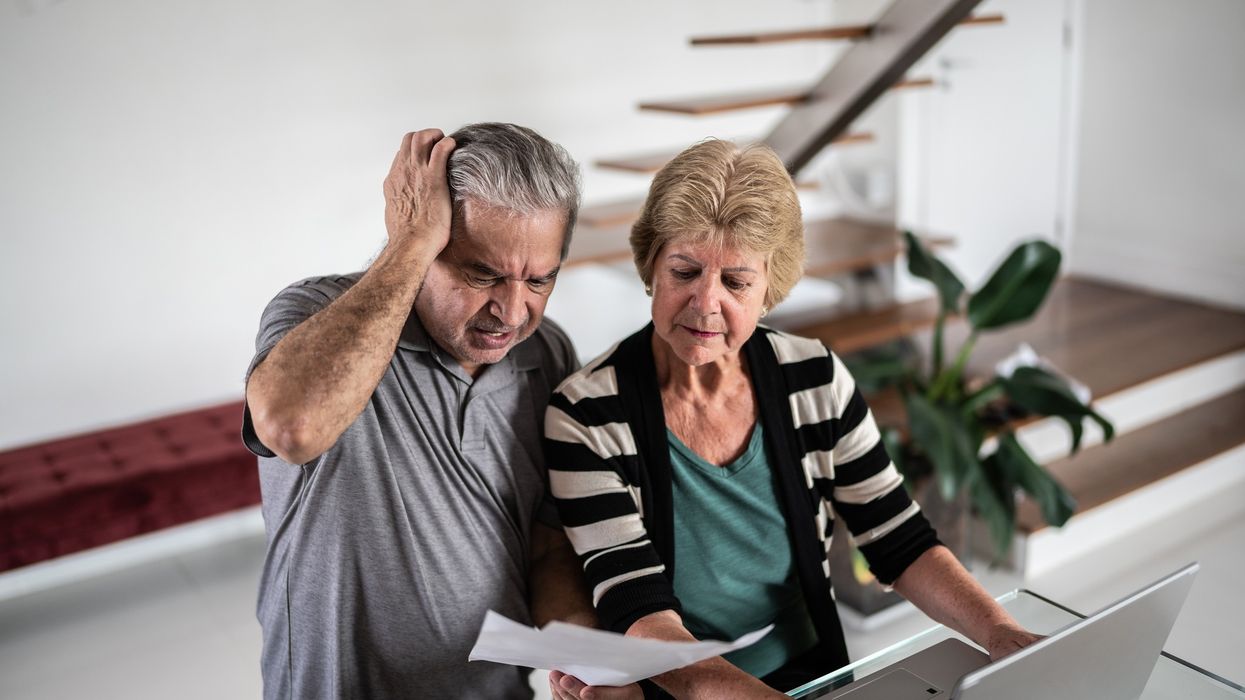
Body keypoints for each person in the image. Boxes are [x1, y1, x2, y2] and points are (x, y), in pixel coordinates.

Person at [544, 139, 1041, 699]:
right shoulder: (585, 415)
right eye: (685, 271)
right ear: (651, 266)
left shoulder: (817, 378)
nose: (705, 303)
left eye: (736, 282)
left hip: (813, 674)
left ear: (770, 289)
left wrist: (999, 632)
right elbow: (642, 613)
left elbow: (899, 540)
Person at [242, 123, 594, 699]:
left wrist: (583, 653)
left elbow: (547, 539)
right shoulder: (315, 312)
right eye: (481, 274)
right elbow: (292, 427)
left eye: (539, 279)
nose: (510, 311)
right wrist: (407, 243)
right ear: (426, 241)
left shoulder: (546, 349)